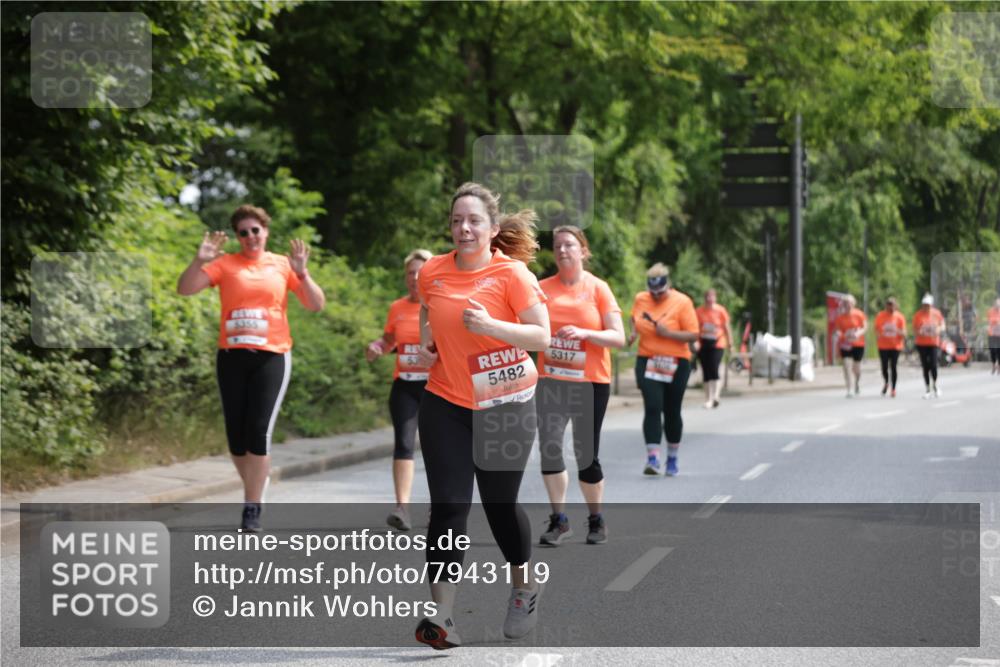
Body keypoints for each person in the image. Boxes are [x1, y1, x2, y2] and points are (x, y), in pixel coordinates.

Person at [413, 183, 550, 649]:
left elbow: (541, 336)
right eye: (456, 220)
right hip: (446, 401)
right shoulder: (432, 270)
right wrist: (430, 338)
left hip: (506, 403)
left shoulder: (513, 275)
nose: (463, 228)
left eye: (473, 221)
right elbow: (428, 313)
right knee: (448, 507)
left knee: (499, 506)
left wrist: (492, 327)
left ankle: (524, 586)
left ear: (492, 229)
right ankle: (443, 616)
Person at [176, 205, 325, 532]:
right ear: (237, 237)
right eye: (243, 232)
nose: (250, 237)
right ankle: (257, 484)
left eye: (255, 230)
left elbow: (315, 304)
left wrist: (303, 273)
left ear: (266, 232)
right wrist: (200, 260)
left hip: (271, 356)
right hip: (231, 356)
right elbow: (185, 288)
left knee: (258, 431)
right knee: (236, 437)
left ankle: (252, 506)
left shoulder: (283, 265)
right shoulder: (225, 264)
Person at [535, 226, 625, 547]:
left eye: (569, 245)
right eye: (557, 245)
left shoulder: (598, 289)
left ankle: (596, 517)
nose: (562, 250)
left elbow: (618, 336)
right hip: (551, 382)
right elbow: (526, 327)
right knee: (550, 449)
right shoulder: (541, 289)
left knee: (586, 455)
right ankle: (559, 520)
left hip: (590, 383)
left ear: (583, 251)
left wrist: (586, 334)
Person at [366, 249, 432, 531]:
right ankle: (402, 508)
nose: (414, 278)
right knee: (404, 444)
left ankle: (440, 507)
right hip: (404, 385)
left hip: (436, 387)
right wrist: (377, 347)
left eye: (420, 272)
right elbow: (390, 339)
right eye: (410, 273)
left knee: (436, 449)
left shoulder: (440, 305)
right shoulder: (398, 307)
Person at [627, 263, 699, 477]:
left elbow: (693, 335)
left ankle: (673, 458)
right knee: (652, 406)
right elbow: (634, 318)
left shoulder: (682, 302)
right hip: (648, 359)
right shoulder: (641, 299)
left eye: (661, 292)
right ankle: (653, 458)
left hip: (677, 363)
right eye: (653, 293)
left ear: (668, 285)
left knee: (672, 410)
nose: (657, 297)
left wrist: (668, 333)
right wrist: (633, 333)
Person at [695, 289, 734, 409]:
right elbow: (695, 328)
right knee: (705, 370)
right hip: (703, 343)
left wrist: (730, 344)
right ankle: (708, 398)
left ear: (715, 298)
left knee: (714, 368)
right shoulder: (699, 311)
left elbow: (727, 327)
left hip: (718, 343)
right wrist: (695, 342)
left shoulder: (720, 310)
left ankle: (716, 396)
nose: (709, 300)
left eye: (712, 297)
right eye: (707, 297)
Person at [833, 294, 867, 398]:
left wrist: (858, 333)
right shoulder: (840, 317)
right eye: (845, 303)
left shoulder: (860, 314)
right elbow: (838, 331)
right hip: (845, 344)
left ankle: (857, 382)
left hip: (858, 344)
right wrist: (842, 334)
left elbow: (865, 327)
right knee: (846, 365)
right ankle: (849, 388)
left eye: (849, 302)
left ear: (853, 303)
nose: (847, 305)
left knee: (856, 367)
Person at [913, 293, 946, 398]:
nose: (926, 307)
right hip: (922, 344)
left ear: (931, 305)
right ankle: (927, 388)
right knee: (925, 366)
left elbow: (943, 325)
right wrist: (920, 332)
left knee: (933, 365)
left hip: (933, 343)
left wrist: (938, 329)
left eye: (928, 305)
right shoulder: (918, 315)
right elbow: (914, 329)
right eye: (924, 305)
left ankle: (935, 384)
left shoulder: (936, 313)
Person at [874, 296, 906, 398]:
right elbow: (876, 329)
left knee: (893, 367)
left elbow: (904, 333)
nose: (890, 307)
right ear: (886, 306)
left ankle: (893, 389)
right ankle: (886, 382)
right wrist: (879, 334)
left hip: (896, 346)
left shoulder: (899, 317)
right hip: (883, 346)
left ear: (895, 306)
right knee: (884, 367)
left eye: (892, 305)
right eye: (888, 305)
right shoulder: (880, 316)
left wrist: (898, 331)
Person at [988, 297, 1000, 376]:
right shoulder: (990, 311)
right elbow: (990, 320)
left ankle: (999, 366)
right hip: (992, 333)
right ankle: (993, 365)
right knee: (992, 350)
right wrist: (996, 321)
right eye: (997, 303)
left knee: (998, 351)